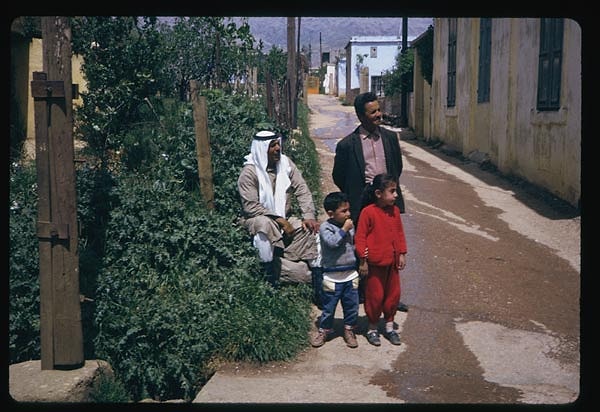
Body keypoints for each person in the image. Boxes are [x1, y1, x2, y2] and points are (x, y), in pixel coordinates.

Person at [332, 91, 409, 312]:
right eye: (373, 112)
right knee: (364, 248)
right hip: (362, 201)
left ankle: (389, 297)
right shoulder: (347, 145)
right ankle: (365, 295)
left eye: (378, 109)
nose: (379, 114)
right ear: (360, 116)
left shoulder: (390, 138)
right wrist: (356, 195)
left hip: (386, 200)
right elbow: (339, 176)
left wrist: (388, 192)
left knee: (390, 246)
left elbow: (397, 168)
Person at [237, 130, 320, 288]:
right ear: (262, 149)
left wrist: (309, 215)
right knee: (264, 224)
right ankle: (268, 277)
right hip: (256, 220)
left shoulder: (285, 164)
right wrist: (279, 220)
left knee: (310, 229)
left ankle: (312, 275)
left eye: (278, 144)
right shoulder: (249, 173)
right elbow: (250, 207)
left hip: (285, 220)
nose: (277, 149)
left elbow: (302, 189)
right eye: (272, 145)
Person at [354, 173, 407, 346]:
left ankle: (390, 328)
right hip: (375, 264)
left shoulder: (395, 211)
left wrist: (401, 253)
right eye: (392, 191)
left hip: (392, 263)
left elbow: (399, 233)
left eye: (396, 190)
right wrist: (363, 260)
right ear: (378, 193)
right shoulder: (368, 212)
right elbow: (360, 237)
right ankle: (373, 328)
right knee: (374, 296)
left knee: (393, 295)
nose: (396, 195)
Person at [310, 192, 360, 348]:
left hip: (350, 273)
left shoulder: (349, 225)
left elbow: (352, 244)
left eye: (348, 210)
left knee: (352, 306)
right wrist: (344, 230)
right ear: (331, 213)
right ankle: (324, 330)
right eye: (343, 211)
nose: (348, 214)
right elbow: (332, 243)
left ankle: (349, 330)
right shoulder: (326, 227)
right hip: (332, 276)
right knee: (329, 307)